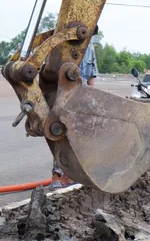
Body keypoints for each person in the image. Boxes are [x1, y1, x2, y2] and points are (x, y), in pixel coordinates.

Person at [49, 25, 99, 191]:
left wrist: (92, 102)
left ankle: (70, 176)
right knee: (62, 135)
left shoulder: (90, 49)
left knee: (78, 140)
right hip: (63, 99)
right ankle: (56, 176)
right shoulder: (63, 47)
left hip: (81, 100)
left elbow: (91, 76)